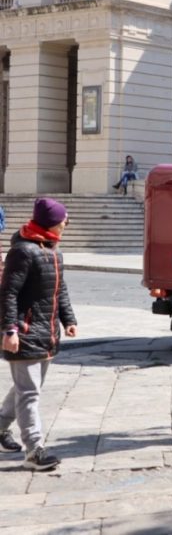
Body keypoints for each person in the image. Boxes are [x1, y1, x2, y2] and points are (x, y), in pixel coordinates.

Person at [0, 198, 77, 471]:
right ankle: (34, 450)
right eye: (63, 219)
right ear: (51, 222)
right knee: (29, 392)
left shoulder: (53, 251)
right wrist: (10, 329)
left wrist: (68, 319)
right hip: (25, 331)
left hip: (47, 333)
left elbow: (60, 290)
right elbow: (8, 293)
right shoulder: (23, 251)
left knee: (27, 388)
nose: (66, 224)